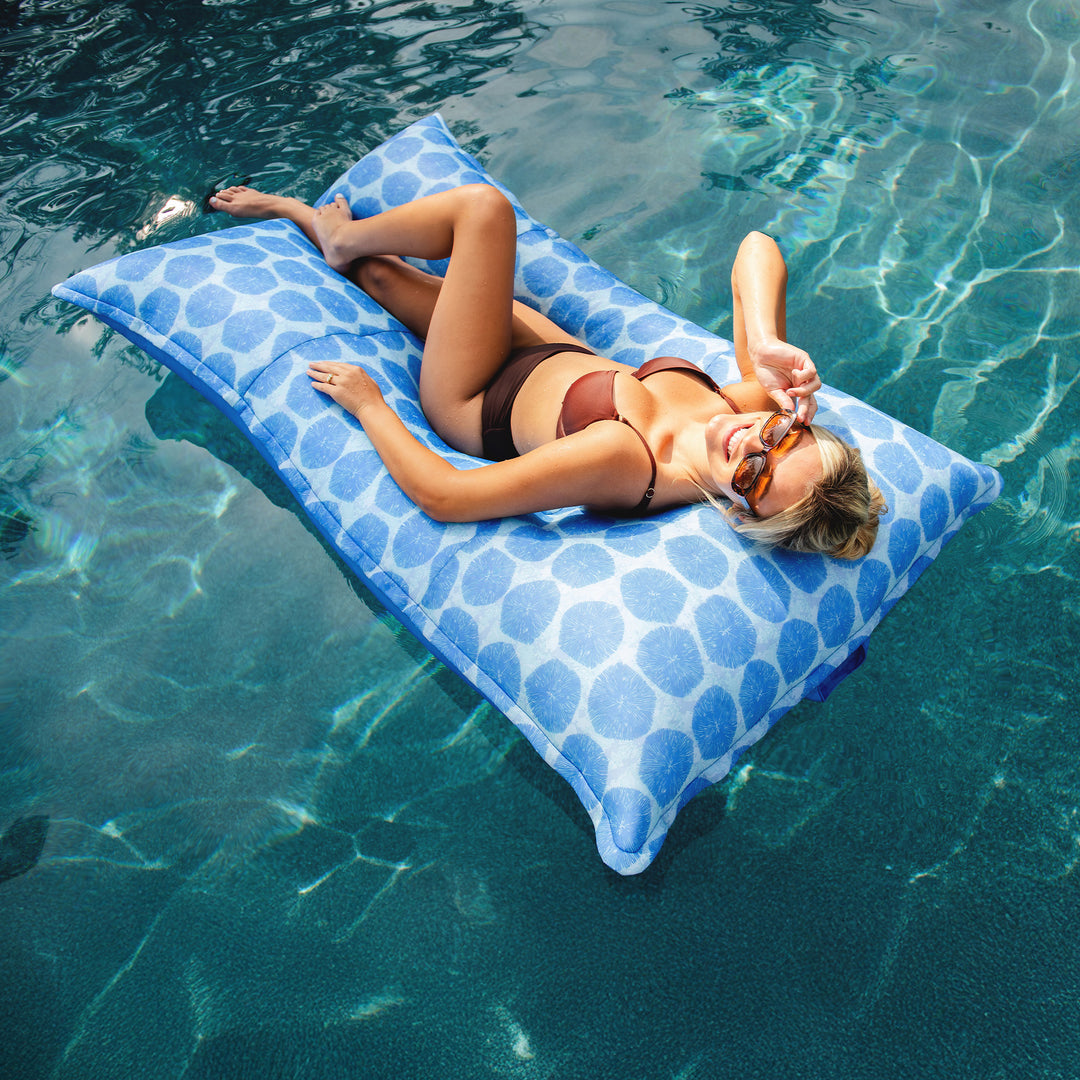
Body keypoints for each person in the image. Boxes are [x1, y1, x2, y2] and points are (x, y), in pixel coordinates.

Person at [209, 182, 885, 558]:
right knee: (382, 277)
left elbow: (446, 497)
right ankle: (333, 235)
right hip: (555, 353)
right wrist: (765, 342)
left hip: (478, 397)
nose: (752, 445)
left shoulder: (627, 462)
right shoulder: (741, 412)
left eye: (754, 475)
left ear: (740, 514)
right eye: (784, 438)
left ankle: (315, 224)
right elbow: (756, 249)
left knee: (482, 212)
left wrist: (370, 406)